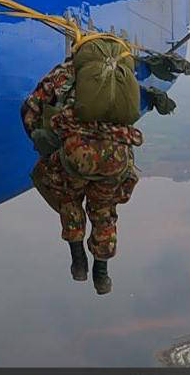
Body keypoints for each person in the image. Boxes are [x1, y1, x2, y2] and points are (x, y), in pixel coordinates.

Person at [21, 58, 142, 295]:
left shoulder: (66, 70)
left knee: (67, 197)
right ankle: (101, 274)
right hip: (115, 156)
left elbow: (31, 105)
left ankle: (78, 262)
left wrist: (37, 137)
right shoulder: (121, 74)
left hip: (77, 152)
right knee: (104, 210)